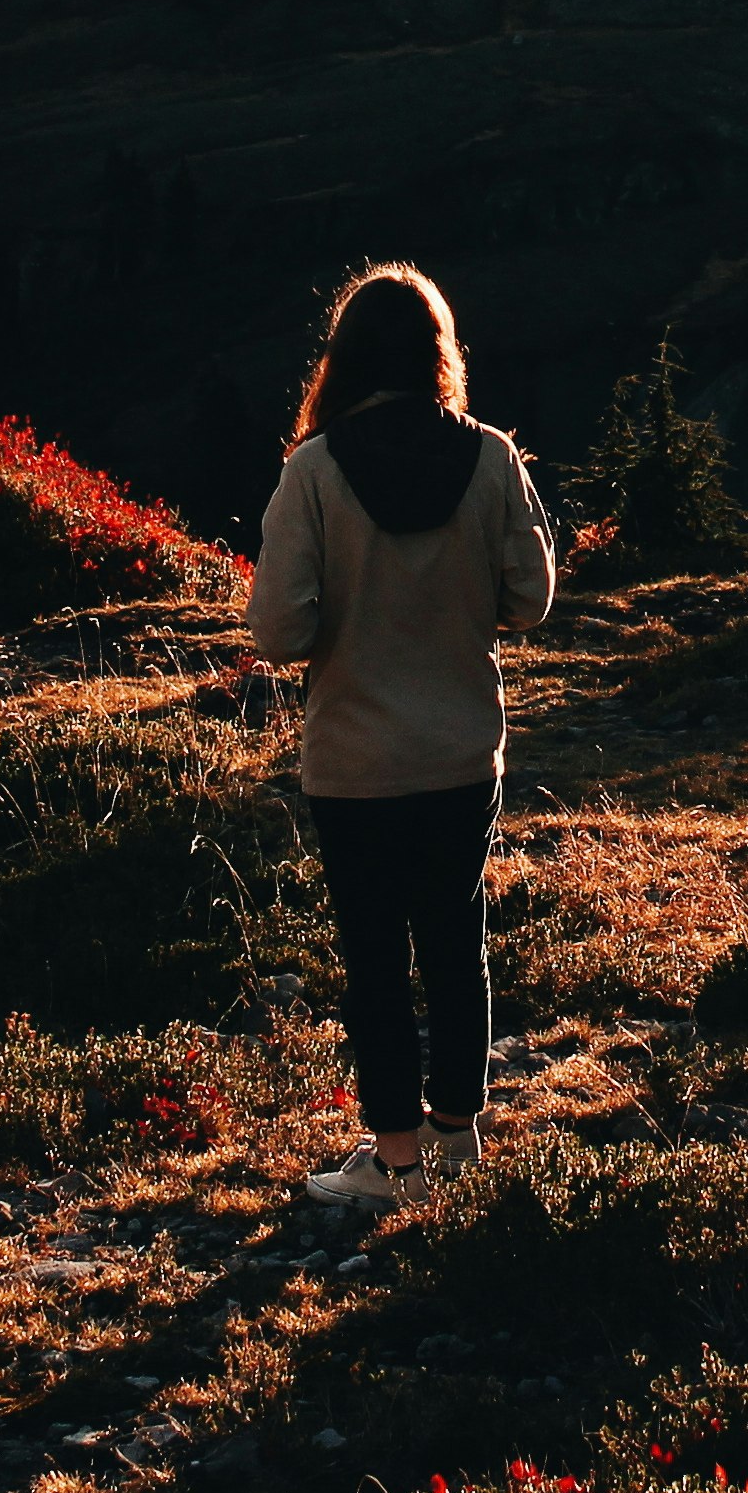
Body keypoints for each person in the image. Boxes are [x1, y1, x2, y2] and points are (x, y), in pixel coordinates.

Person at [250, 259, 555, 1217]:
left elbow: (277, 632)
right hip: (463, 751)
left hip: (355, 762)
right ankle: (461, 1136)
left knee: (375, 959)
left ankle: (395, 1163)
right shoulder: (494, 457)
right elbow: (531, 600)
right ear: (438, 354)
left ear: (341, 359)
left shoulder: (314, 472)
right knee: (456, 944)